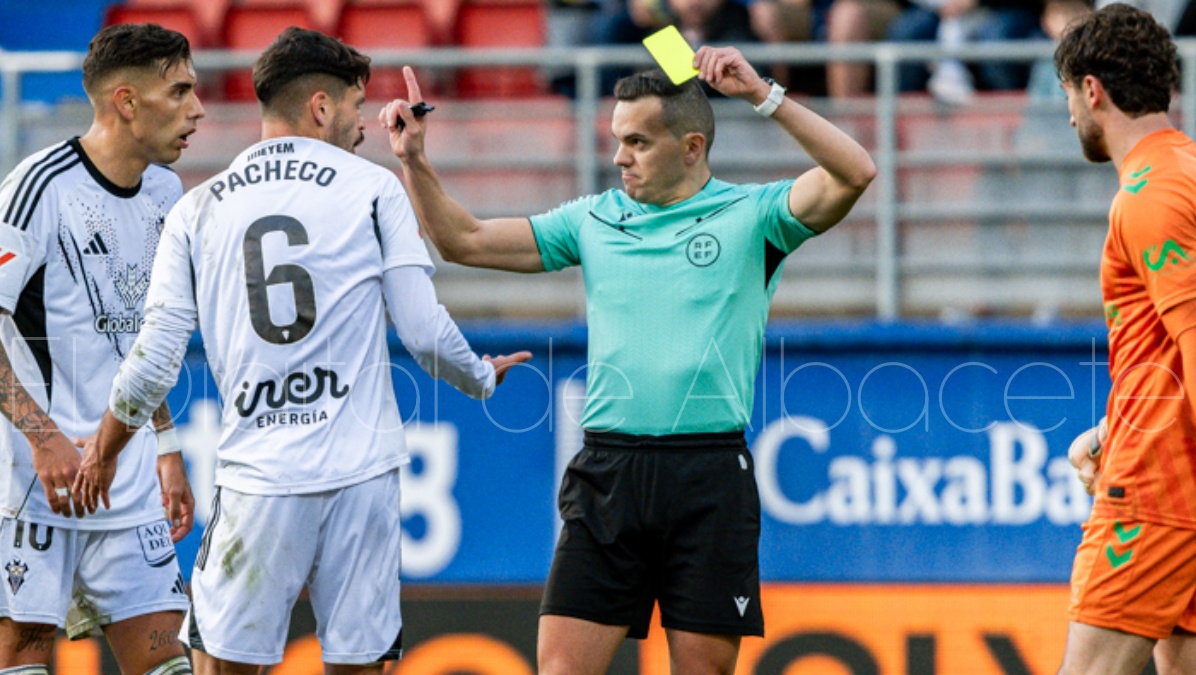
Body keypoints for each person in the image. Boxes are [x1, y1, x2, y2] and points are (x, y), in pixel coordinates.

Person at [383, 45, 875, 673]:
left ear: (691, 147)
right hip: (608, 474)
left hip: (708, 477)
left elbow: (855, 171)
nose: (619, 157)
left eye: (638, 142)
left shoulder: (753, 217)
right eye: (618, 140)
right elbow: (463, 240)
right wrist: (414, 160)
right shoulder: (593, 219)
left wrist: (761, 94)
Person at [73, 27, 531, 674]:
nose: (362, 124)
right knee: (358, 666)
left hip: (259, 481)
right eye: (355, 106)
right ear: (320, 106)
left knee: (222, 668)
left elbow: (154, 360)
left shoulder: (197, 208)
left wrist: (102, 451)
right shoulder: (374, 188)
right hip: (362, 478)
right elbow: (425, 333)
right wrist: (480, 376)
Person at [0, 23, 201, 675]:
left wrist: (165, 444)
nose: (198, 109)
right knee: (23, 663)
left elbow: (145, 334)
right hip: (34, 484)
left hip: (126, 478)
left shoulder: (167, 192)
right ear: (127, 102)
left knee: (168, 666)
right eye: (180, 91)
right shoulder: (37, 189)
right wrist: (43, 437)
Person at [1055, 4, 1196, 673]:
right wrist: (1114, 426)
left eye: (1066, 95)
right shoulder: (1187, 172)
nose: (1068, 117)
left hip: (1155, 496)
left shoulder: (1148, 194)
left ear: (1092, 90)